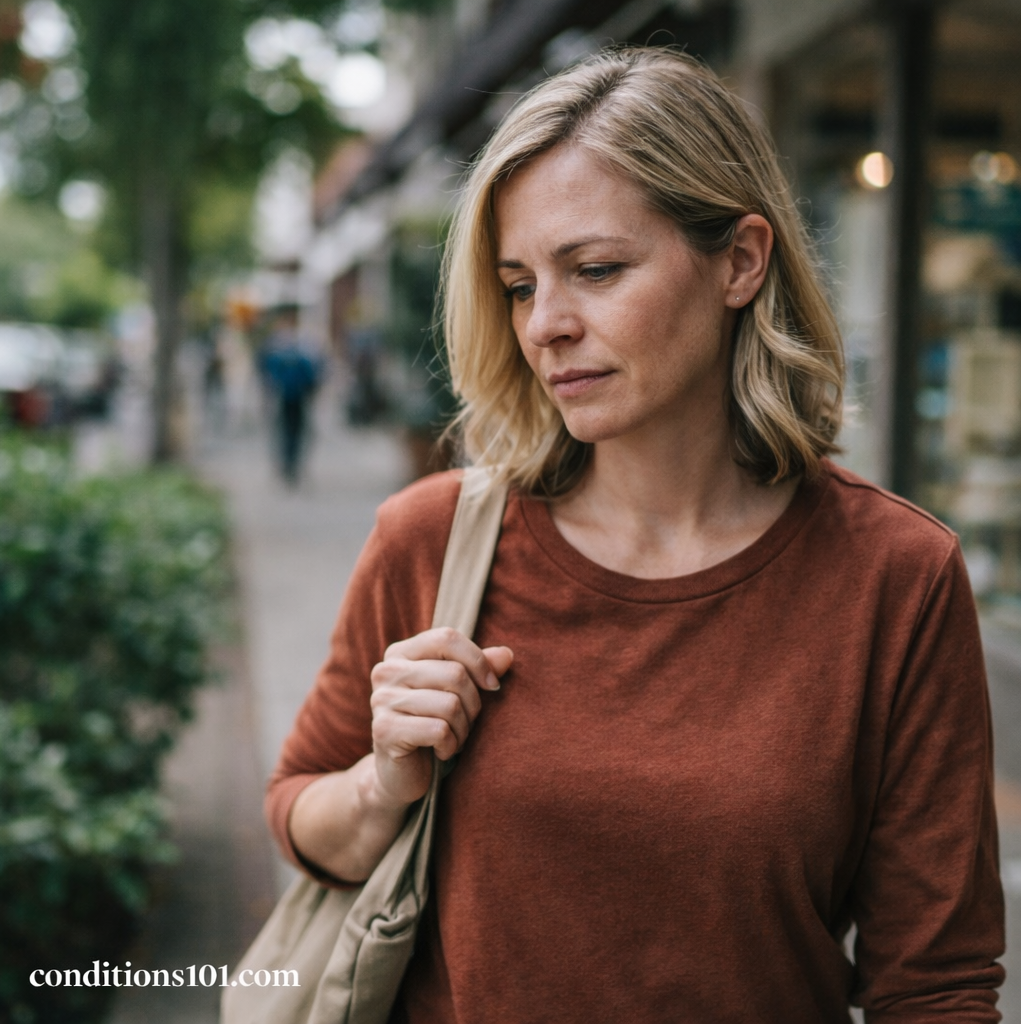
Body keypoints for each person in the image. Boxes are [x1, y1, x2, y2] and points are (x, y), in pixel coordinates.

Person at [266, 47, 1005, 1022]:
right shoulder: (433, 538)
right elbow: (296, 811)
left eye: (595, 269)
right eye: (520, 283)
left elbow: (936, 985)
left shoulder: (894, 576)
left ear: (739, 261)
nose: (545, 325)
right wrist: (381, 784)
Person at [258, 308, 322, 485]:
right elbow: (311, 373)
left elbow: (268, 372)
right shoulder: (300, 349)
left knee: (286, 431)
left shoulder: (277, 349)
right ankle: (290, 464)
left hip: (286, 396)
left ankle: (287, 464)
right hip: (294, 396)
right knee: (292, 431)